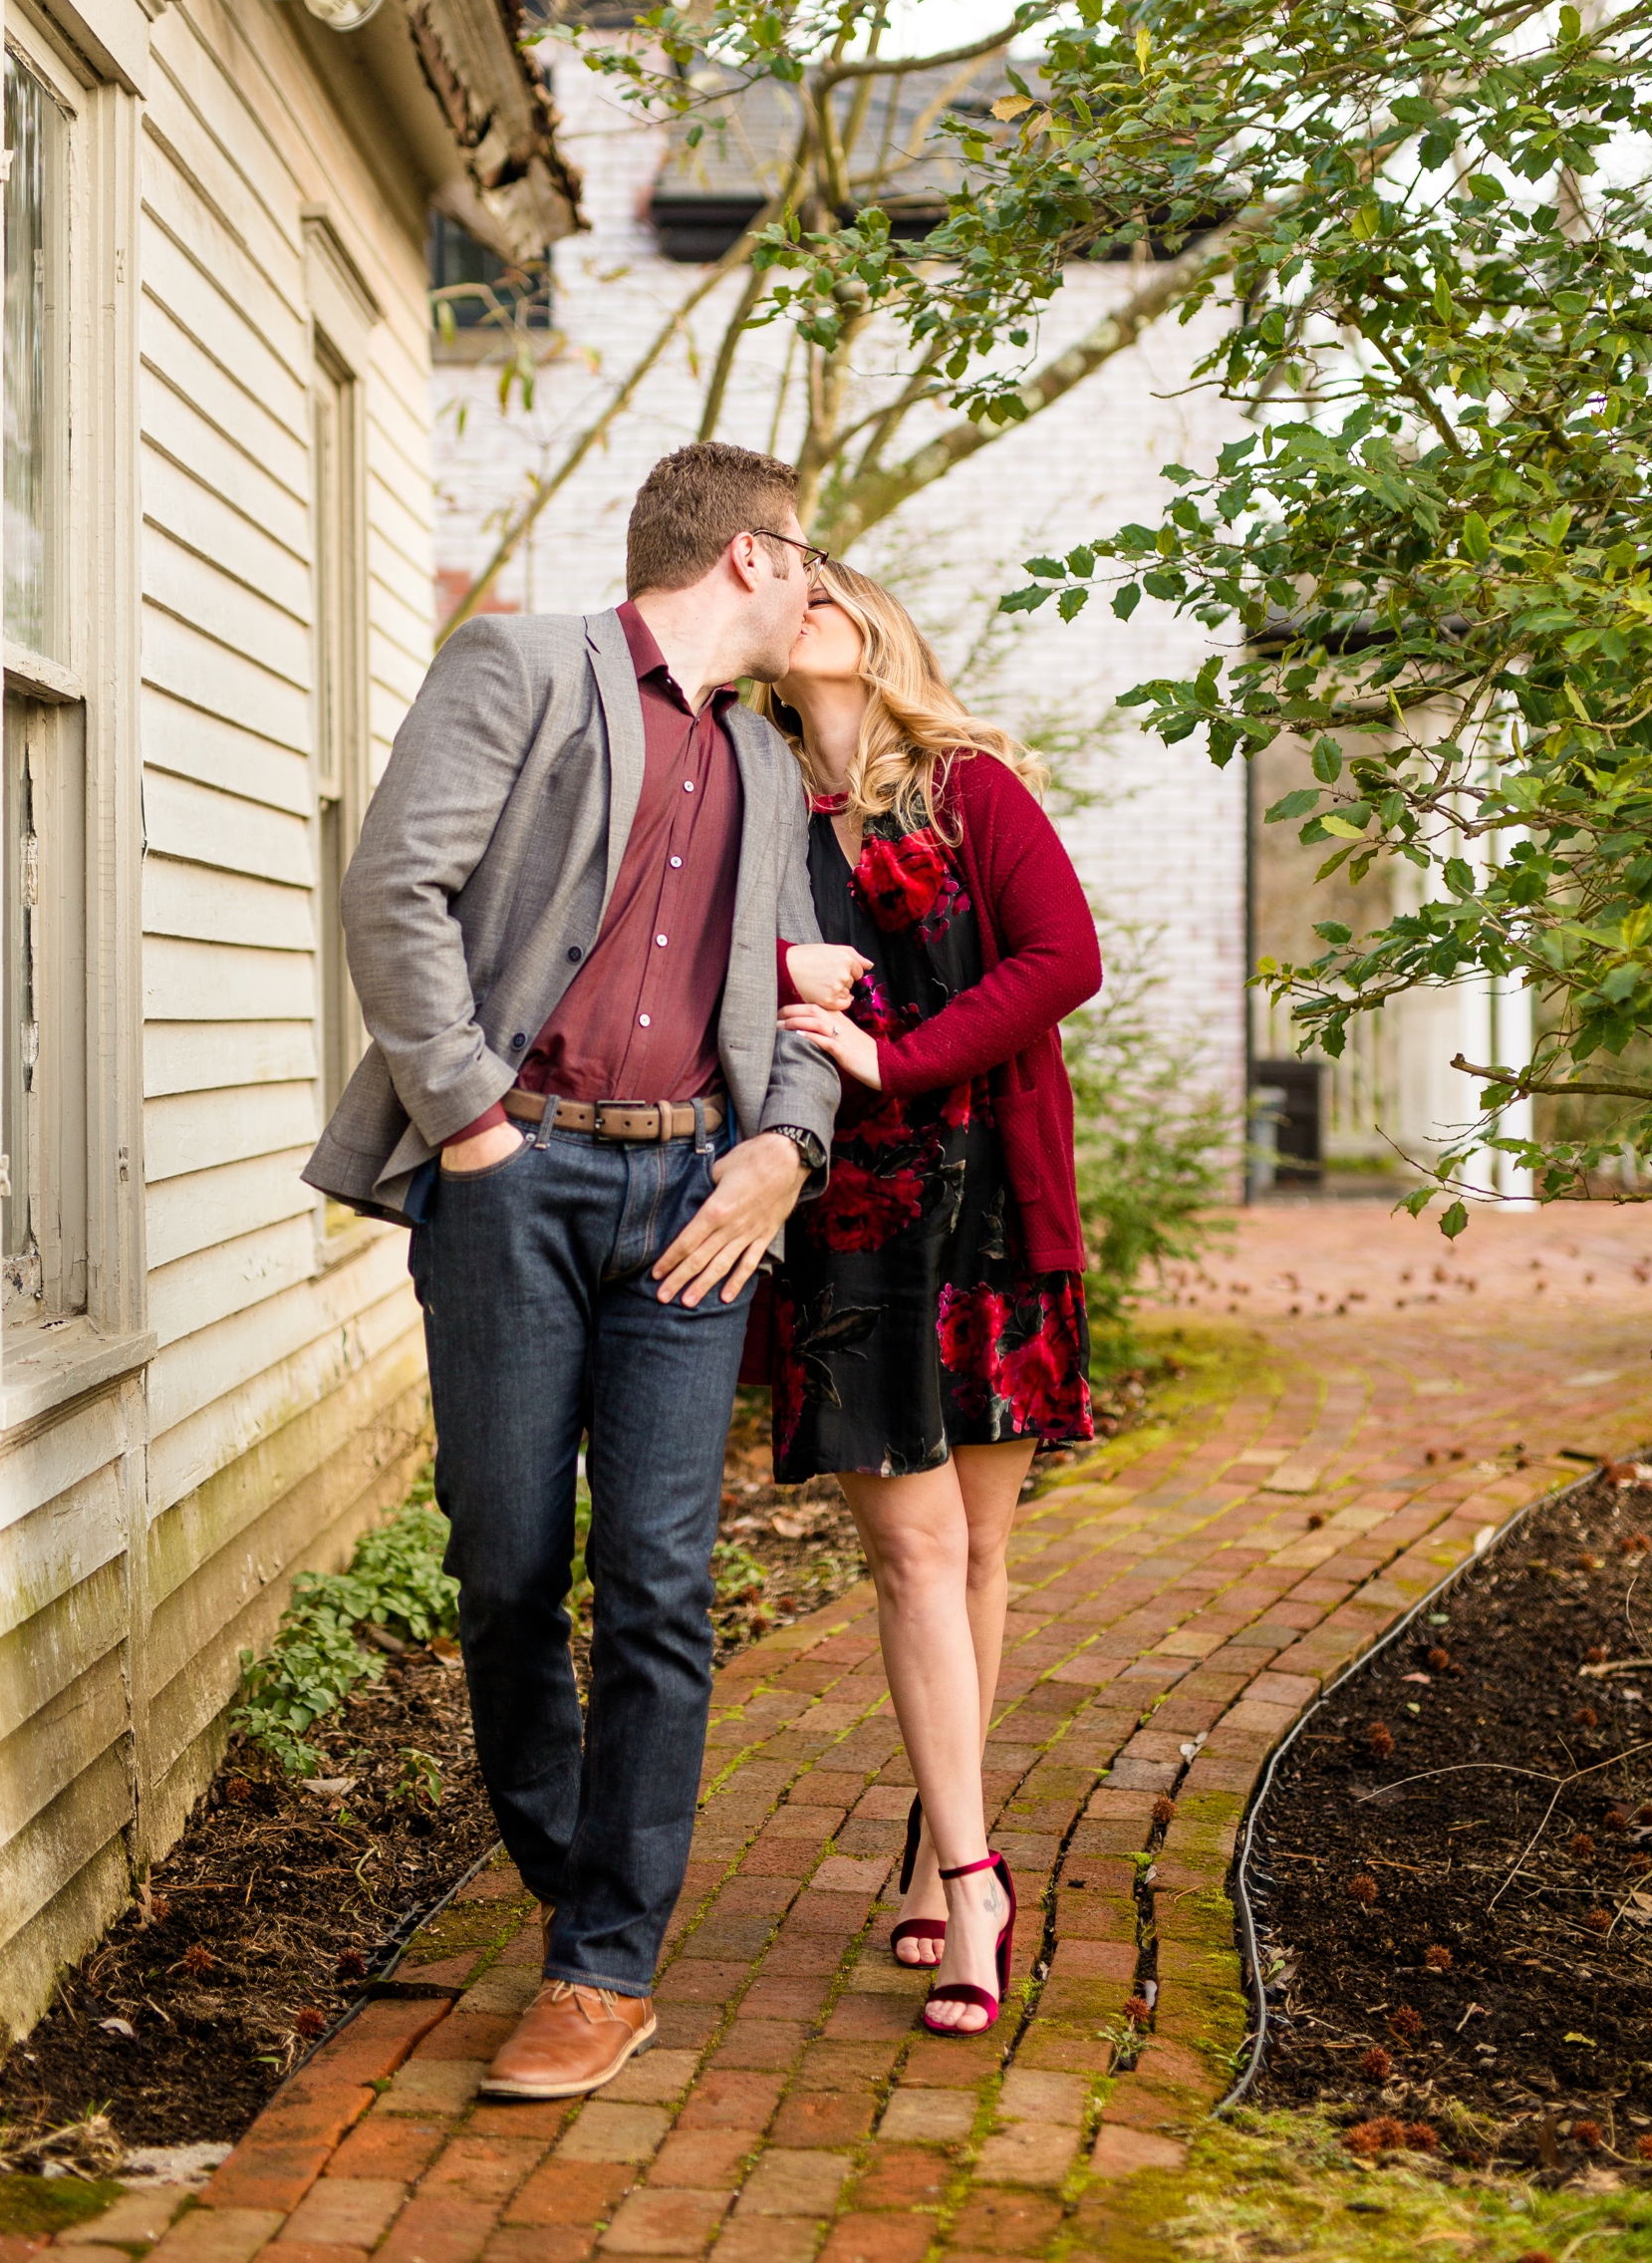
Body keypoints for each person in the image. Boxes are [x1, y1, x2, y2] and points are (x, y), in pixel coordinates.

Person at [304, 443, 839, 2103]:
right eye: (806, 558)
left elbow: (813, 1001)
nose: (820, 586)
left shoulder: (764, 769)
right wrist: (472, 1127)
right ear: (745, 558)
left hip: (696, 1194)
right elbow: (394, 892)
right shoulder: (525, 667)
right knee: (510, 1568)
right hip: (516, 1180)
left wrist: (786, 1148)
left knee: (664, 1585)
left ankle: (602, 1962)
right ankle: (572, 1878)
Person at [749, 561, 1100, 2036]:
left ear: (885, 627)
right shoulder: (752, 801)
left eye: (834, 586)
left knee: (973, 1554)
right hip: (847, 1218)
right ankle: (975, 1877)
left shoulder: (972, 792)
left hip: (992, 1208)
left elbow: (1060, 960)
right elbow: (694, 963)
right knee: (911, 1551)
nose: (808, 601)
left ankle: (926, 1828)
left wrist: (901, 1055)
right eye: (792, 590)